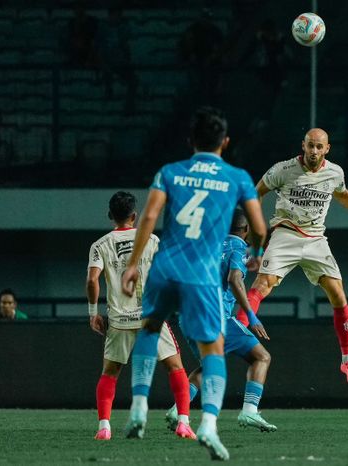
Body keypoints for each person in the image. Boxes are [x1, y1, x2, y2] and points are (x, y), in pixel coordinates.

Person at [121, 107, 266, 461]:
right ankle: (209, 426)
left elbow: (151, 216)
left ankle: (139, 405)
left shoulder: (169, 172)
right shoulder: (237, 177)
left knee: (151, 328)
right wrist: (257, 252)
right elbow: (259, 228)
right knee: (212, 351)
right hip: (201, 276)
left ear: (191, 141)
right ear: (226, 142)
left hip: (165, 266)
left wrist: (132, 264)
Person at [234, 128, 348, 386]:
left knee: (338, 294)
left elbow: (343, 195)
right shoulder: (282, 169)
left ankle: (347, 358)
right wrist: (252, 234)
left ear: (327, 149)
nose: (314, 151)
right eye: (310, 146)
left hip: (316, 239)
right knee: (262, 285)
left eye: (319, 147)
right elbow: (255, 194)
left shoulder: (335, 172)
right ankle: (238, 327)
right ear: (302, 146)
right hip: (285, 233)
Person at [86, 191, 194, 441]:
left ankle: (104, 427)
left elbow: (92, 280)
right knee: (175, 367)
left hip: (120, 321)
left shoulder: (100, 245)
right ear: (134, 216)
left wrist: (93, 313)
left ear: (110, 215)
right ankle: (184, 424)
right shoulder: (152, 240)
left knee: (110, 373)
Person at [165, 208, 276, 433]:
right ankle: (250, 412)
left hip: (189, 316)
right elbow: (235, 279)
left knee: (210, 365)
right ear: (245, 230)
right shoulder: (238, 247)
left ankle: (178, 409)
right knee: (262, 357)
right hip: (216, 317)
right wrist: (252, 316)